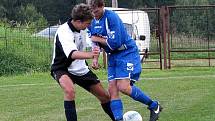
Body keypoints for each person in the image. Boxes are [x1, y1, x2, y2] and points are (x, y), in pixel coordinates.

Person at [87, 0, 162, 121]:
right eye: (92, 11)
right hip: (113, 55)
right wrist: (95, 58)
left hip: (126, 52)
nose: (94, 13)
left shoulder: (112, 17)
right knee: (112, 89)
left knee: (123, 87)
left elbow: (115, 43)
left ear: (103, 6)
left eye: (96, 10)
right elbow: (94, 41)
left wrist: (97, 39)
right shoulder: (91, 21)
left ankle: (154, 105)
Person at [50, 3, 114, 121]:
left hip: (80, 68)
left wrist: (94, 60)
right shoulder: (64, 31)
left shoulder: (84, 28)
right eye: (88, 23)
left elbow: (94, 44)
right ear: (79, 21)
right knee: (69, 91)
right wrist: (91, 55)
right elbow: (72, 54)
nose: (89, 25)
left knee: (105, 97)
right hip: (61, 68)